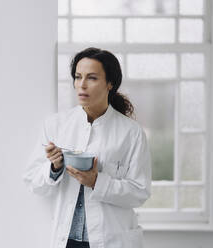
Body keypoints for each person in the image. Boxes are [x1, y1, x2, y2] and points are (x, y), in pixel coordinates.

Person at [22, 47, 152, 248]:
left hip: (111, 239)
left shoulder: (131, 132)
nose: (81, 85)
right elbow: (33, 181)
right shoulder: (55, 125)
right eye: (77, 77)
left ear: (110, 83)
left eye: (91, 78)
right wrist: (54, 168)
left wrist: (97, 182)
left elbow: (139, 192)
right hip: (67, 240)